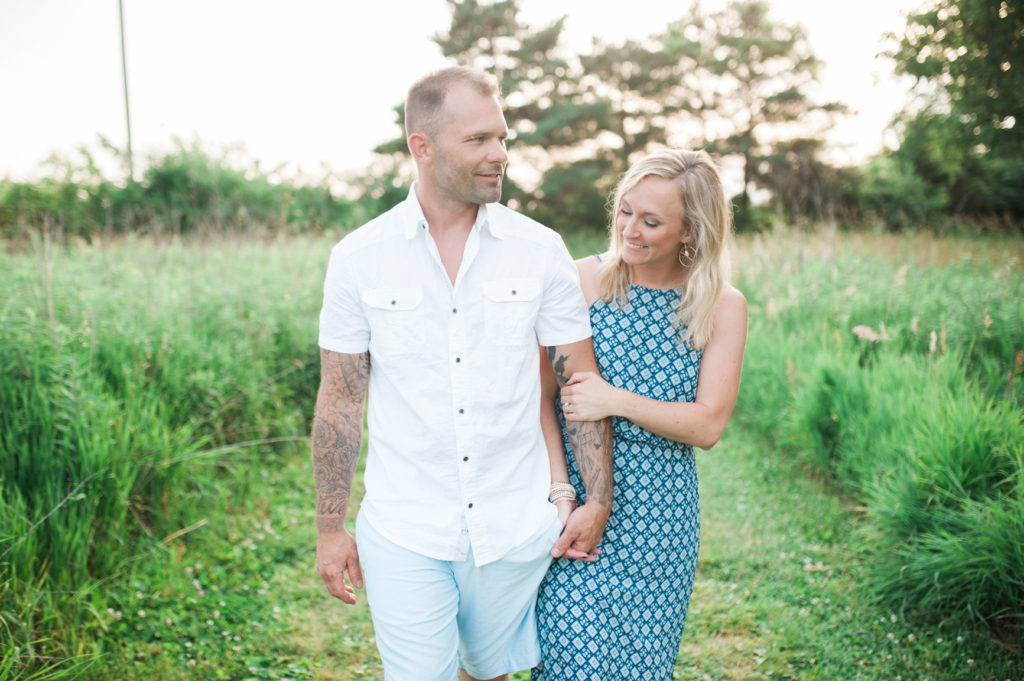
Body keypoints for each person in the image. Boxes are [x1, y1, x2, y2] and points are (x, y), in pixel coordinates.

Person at [311, 65, 613, 681]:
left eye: (501, 138)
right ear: (422, 147)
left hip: (514, 526)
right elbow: (340, 401)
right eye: (478, 140)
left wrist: (596, 498)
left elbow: (580, 384)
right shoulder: (358, 258)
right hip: (404, 526)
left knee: (486, 672)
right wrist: (329, 526)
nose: (499, 154)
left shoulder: (540, 248)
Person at [533, 148, 748, 680]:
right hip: (576, 502)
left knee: (638, 668)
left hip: (660, 516)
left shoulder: (721, 305)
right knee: (569, 657)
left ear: (690, 232)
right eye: (625, 211)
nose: (630, 229)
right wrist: (560, 491)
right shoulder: (582, 280)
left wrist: (617, 400)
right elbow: (542, 396)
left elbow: (708, 425)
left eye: (651, 221)